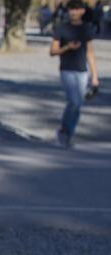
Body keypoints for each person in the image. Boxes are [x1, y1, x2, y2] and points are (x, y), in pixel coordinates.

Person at [50, 0, 100, 147]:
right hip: (67, 70)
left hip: (82, 71)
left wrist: (95, 76)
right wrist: (67, 47)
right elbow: (52, 51)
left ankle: (68, 133)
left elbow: (90, 53)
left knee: (78, 105)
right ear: (68, 11)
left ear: (82, 11)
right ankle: (64, 131)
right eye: (72, 9)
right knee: (74, 101)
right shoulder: (61, 28)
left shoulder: (86, 29)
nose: (74, 12)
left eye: (77, 9)